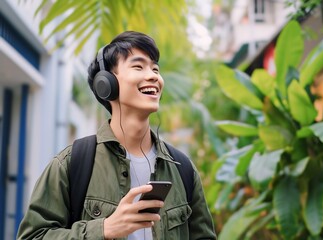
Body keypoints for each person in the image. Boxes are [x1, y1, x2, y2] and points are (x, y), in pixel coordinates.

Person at [17, 31, 216, 240]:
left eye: (155, 69)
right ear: (106, 83)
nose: (153, 76)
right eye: (138, 66)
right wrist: (103, 229)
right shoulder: (72, 163)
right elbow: (33, 236)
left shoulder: (182, 169)